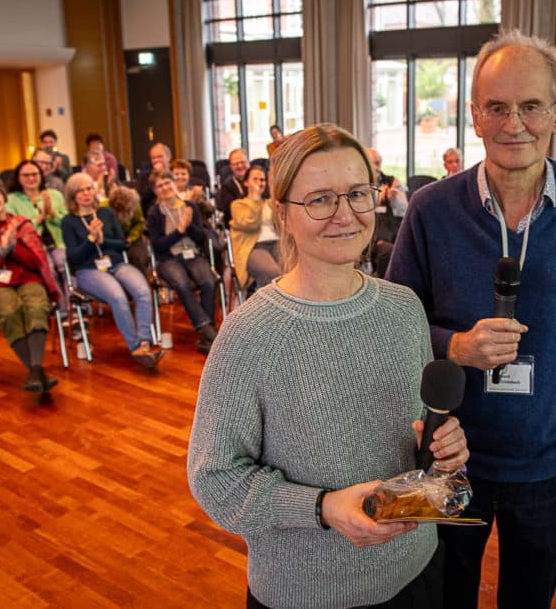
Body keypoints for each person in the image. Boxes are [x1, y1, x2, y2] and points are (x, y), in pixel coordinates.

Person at [386, 29, 556, 608]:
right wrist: (457, 347)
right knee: (448, 598)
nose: (514, 123)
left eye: (530, 106)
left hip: (551, 462)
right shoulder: (431, 209)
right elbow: (391, 333)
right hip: (450, 455)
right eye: (497, 108)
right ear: (474, 117)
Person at [188, 123, 470, 609]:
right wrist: (321, 507)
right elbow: (215, 479)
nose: (345, 215)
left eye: (358, 194)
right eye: (320, 199)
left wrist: (443, 447)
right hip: (307, 593)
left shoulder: (404, 308)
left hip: (417, 567)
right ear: (283, 214)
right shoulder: (250, 333)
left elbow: (412, 435)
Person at [0, 178, 61, 394]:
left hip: (27, 278)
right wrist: (1, 252)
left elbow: (34, 262)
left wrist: (14, 246)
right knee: (9, 310)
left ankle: (34, 371)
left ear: (4, 196)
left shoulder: (22, 225)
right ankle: (37, 371)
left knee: (36, 304)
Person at [61, 173, 163, 369]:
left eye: (88, 188)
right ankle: (135, 347)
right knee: (118, 297)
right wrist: (91, 240)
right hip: (88, 270)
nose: (85, 194)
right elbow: (74, 257)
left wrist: (102, 240)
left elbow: (121, 244)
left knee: (142, 290)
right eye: (80, 190)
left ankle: (144, 342)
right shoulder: (69, 222)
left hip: (115, 264)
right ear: (72, 195)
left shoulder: (106, 213)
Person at [146, 172, 218, 353]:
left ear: (174, 184)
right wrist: (179, 231)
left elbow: (201, 237)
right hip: (169, 258)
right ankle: (208, 330)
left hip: (192, 254)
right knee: (182, 284)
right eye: (159, 186)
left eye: (167, 183)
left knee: (208, 281)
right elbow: (157, 246)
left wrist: (188, 226)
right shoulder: (155, 213)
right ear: (155, 191)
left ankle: (205, 336)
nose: (165, 188)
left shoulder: (190, 207)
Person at [5, 159, 70, 322]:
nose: (31, 178)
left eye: (34, 174)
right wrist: (38, 219)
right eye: (26, 175)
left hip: (58, 242)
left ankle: (74, 307)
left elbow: (67, 222)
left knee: (65, 266)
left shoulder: (54, 195)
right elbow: (15, 228)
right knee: (50, 269)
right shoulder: (11, 200)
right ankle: (63, 312)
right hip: (33, 247)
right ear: (18, 178)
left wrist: (53, 214)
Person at [229, 165, 280, 290]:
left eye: (262, 180)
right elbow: (251, 225)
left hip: (277, 243)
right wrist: (255, 200)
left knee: (293, 271)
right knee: (274, 274)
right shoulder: (238, 205)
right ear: (246, 183)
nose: (259, 183)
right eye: (255, 179)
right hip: (253, 248)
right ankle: (273, 308)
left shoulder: (269, 203)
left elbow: (281, 225)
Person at [367, 148, 407, 278]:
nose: (376, 168)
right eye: (372, 163)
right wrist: (377, 199)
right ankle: (385, 284)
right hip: (372, 235)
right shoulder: (359, 184)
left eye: (378, 163)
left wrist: (394, 199)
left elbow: (404, 211)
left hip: (392, 231)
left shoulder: (392, 181)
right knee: (388, 251)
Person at [103, 184, 150, 279]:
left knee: (136, 256)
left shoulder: (134, 203)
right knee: (112, 258)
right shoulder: (104, 207)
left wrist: (131, 237)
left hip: (131, 235)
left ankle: (141, 281)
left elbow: (140, 223)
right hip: (111, 239)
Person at [135, 142, 173, 212]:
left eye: (159, 157)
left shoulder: (176, 173)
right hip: (154, 211)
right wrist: (156, 176)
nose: (156, 160)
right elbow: (141, 200)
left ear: (169, 157)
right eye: (153, 158)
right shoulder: (144, 176)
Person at [215, 147, 249, 222]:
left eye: (242, 162)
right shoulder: (227, 188)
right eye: (236, 164)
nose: (240, 166)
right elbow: (231, 213)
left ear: (248, 162)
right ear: (231, 167)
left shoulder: (259, 181)